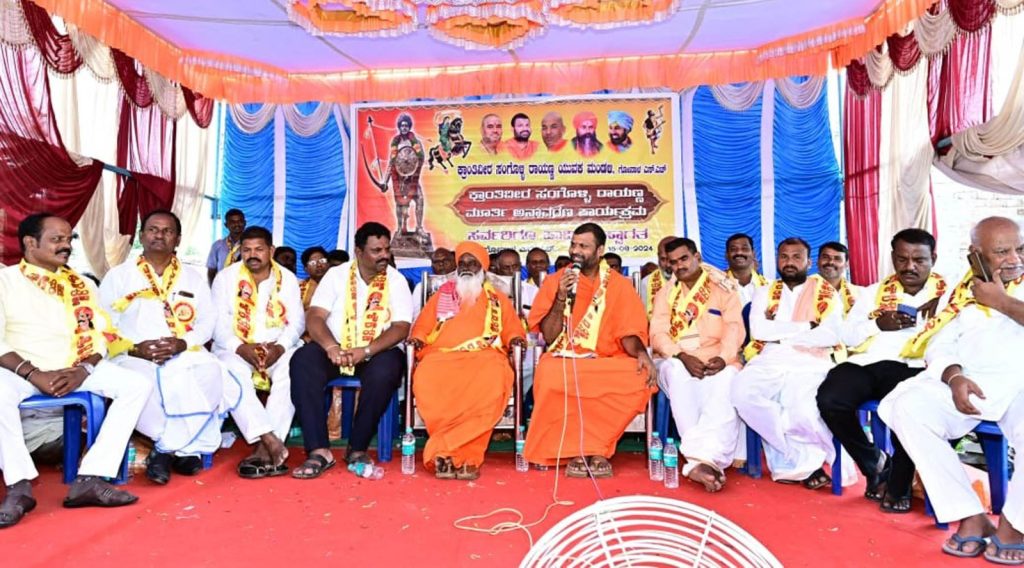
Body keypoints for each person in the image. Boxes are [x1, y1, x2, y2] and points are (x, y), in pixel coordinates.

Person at [879, 217, 1024, 562]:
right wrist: (953, 376)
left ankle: (1015, 525)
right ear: (975, 255)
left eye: (1020, 249)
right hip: (971, 383)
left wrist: (1000, 301)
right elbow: (938, 344)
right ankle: (971, 516)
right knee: (908, 407)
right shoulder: (961, 292)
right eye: (1002, 251)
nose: (1014, 259)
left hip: (1020, 386)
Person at [0, 213, 151, 527]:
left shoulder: (80, 283)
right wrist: (33, 374)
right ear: (30, 243)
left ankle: (91, 477)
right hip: (24, 371)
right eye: (57, 239)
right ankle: (19, 486)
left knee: (136, 384)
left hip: (77, 368)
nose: (66, 246)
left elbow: (101, 335)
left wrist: (84, 368)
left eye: (69, 239)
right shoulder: (6, 280)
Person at [817, 229, 946, 514]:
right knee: (830, 398)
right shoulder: (874, 292)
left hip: (916, 366)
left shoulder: (949, 294)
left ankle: (898, 484)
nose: (909, 267)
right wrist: (878, 325)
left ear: (933, 258)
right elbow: (848, 335)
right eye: (902, 259)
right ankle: (874, 463)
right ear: (892, 258)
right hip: (868, 361)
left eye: (918, 260)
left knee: (908, 407)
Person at [100, 210, 224, 485]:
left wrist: (183, 343)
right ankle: (177, 447)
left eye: (167, 231)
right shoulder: (118, 276)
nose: (159, 235)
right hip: (133, 354)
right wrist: (135, 348)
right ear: (142, 236)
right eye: (153, 229)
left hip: (182, 352)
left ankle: (166, 450)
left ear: (177, 239)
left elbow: (208, 320)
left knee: (212, 372)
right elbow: (103, 324)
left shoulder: (193, 277)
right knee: (141, 383)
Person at [523, 223, 656, 477]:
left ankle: (595, 448)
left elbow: (629, 332)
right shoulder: (555, 281)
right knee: (550, 371)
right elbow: (550, 339)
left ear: (600, 250)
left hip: (607, 359)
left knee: (639, 372)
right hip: (566, 356)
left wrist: (641, 353)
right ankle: (580, 450)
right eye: (573, 244)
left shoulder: (619, 285)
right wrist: (561, 296)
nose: (576, 251)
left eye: (583, 246)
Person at [289, 222, 413, 478]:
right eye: (376, 250)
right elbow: (315, 316)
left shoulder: (396, 280)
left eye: (386, 249)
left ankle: (357, 448)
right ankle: (319, 451)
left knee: (387, 369)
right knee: (302, 360)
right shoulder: (337, 276)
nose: (384, 256)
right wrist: (331, 346)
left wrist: (366, 350)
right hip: (334, 348)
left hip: (376, 351)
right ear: (358, 251)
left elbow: (401, 327)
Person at [730, 237, 848, 489]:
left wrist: (780, 331)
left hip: (811, 360)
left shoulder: (828, 294)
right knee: (741, 394)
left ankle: (799, 464)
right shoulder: (764, 292)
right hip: (770, 356)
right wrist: (806, 326)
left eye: (796, 257)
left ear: (809, 261)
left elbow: (830, 335)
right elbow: (759, 330)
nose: (789, 262)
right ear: (777, 259)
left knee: (802, 410)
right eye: (784, 256)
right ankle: (796, 454)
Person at [408, 242, 526, 480]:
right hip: (441, 358)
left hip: (485, 359)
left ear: (483, 268)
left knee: (493, 376)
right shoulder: (444, 294)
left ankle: (455, 455)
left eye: (472, 264)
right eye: (462, 263)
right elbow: (423, 325)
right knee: (427, 374)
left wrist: (515, 339)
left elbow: (513, 329)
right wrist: (417, 339)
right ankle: (455, 456)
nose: (466, 268)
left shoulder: (498, 300)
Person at [650, 238, 744, 492]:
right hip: (675, 359)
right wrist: (681, 355)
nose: (679, 266)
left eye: (684, 259)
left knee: (727, 381)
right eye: (672, 262)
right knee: (679, 374)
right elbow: (657, 334)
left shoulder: (724, 290)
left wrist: (723, 359)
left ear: (696, 257)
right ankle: (704, 458)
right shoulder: (665, 294)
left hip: (717, 357)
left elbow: (734, 328)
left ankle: (699, 461)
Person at [212, 226, 301, 479]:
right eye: (247, 249)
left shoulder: (288, 279)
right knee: (232, 372)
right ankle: (268, 438)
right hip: (235, 347)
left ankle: (265, 447)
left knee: (292, 369)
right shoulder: (225, 278)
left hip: (276, 346)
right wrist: (239, 347)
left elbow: (297, 323)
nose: (252, 255)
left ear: (271, 250)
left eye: (259, 249)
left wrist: (280, 347)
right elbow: (216, 324)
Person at [817, 242, 860, 315]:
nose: (830, 262)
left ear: (846, 264)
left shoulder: (859, 294)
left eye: (837, 259)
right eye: (825, 257)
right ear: (817, 261)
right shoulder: (801, 290)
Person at [412, 248, 456, 319]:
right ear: (432, 266)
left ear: (455, 263)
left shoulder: (463, 285)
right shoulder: (421, 287)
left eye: (445, 261)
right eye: (436, 262)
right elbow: (415, 317)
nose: (441, 264)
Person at [724, 233, 767, 305]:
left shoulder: (769, 286)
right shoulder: (717, 286)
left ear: (753, 254)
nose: (739, 252)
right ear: (726, 255)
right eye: (733, 249)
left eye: (745, 249)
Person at [207, 208, 246, 284]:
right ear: (226, 225)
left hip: (244, 288)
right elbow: (211, 271)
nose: (237, 224)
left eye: (240, 221)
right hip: (222, 287)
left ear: (245, 223)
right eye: (232, 222)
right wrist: (213, 290)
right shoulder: (217, 246)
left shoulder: (251, 245)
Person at [493, 249, 538, 314]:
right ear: (498, 268)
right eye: (506, 267)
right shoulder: (491, 291)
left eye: (515, 266)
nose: (511, 271)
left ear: (520, 266)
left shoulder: (533, 291)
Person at [640, 236, 675, 317]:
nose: (668, 265)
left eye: (671, 260)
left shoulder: (693, 278)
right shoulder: (646, 283)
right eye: (663, 259)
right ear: (658, 256)